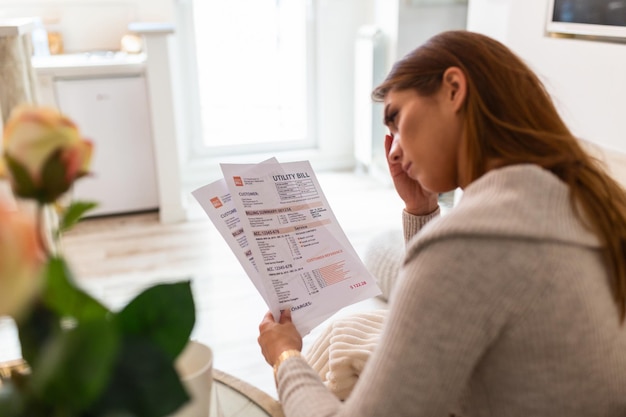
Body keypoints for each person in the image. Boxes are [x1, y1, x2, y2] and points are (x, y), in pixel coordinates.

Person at [257, 30, 626, 416]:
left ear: (453, 88)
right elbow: (451, 309)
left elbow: (452, 276)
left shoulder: (472, 242)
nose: (394, 149)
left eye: (396, 119)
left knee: (335, 345)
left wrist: (285, 357)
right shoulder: (585, 201)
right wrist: (421, 211)